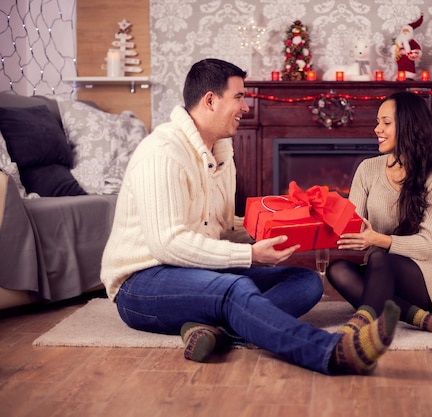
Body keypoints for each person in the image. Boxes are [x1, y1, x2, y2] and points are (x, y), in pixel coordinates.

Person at [100, 58, 400, 375]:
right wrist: (250, 255)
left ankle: (211, 330)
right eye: (240, 97)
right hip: (143, 283)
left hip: (197, 271)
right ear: (211, 101)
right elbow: (167, 244)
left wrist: (306, 227)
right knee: (234, 291)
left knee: (306, 282)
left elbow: (224, 227)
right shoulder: (162, 153)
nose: (246, 106)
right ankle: (331, 352)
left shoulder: (220, 154)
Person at [326, 91, 432, 340]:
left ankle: (362, 323)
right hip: (378, 270)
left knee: (380, 259)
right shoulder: (368, 169)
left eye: (386, 122)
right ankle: (426, 321)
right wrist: (316, 213)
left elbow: (427, 246)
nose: (377, 129)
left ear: (409, 125)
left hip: (425, 274)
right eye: (377, 122)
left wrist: (376, 240)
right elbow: (353, 224)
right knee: (337, 270)